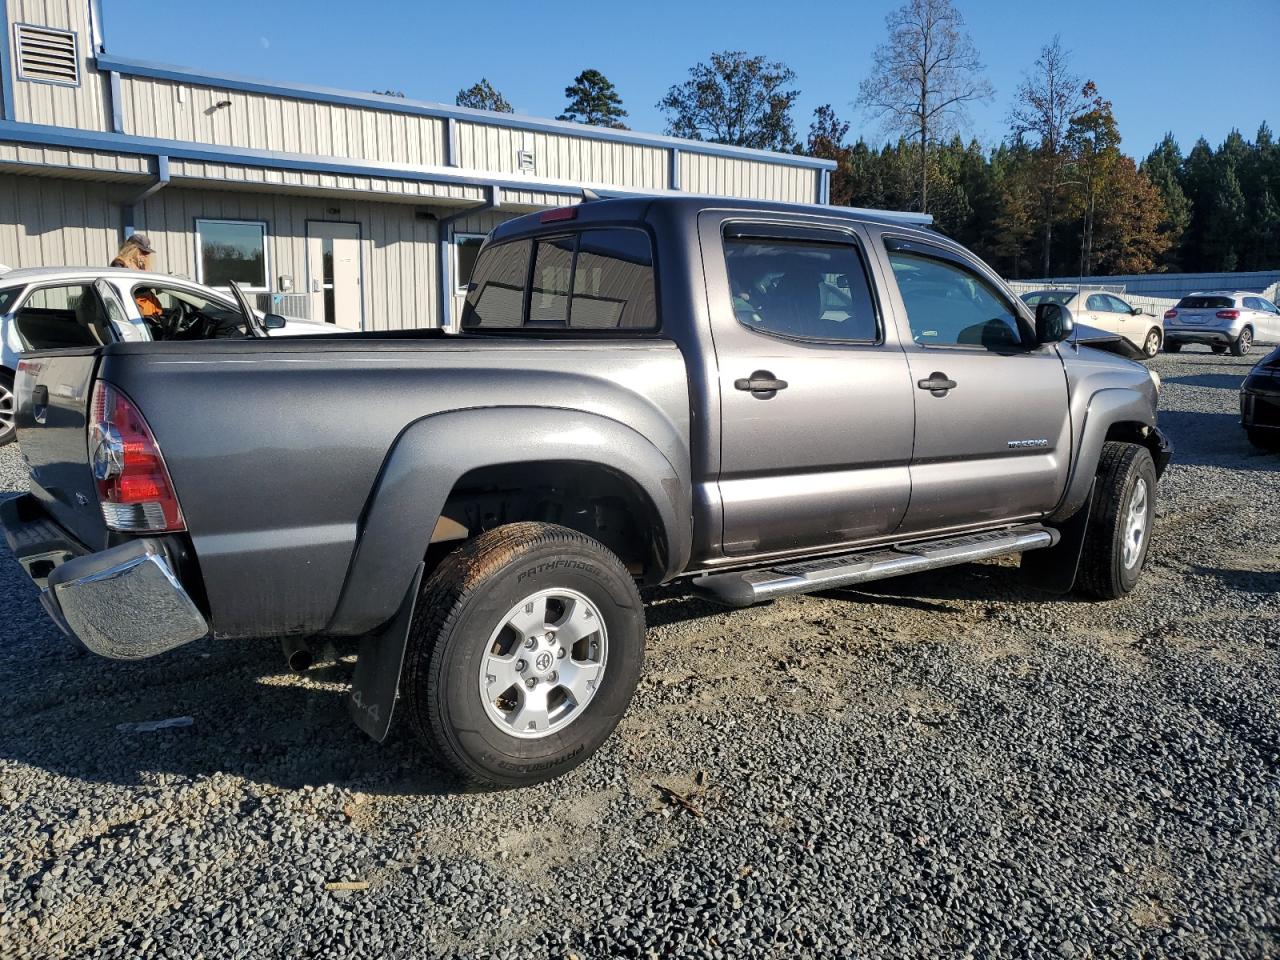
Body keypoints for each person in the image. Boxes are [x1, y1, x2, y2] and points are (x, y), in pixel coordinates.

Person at [109, 233, 163, 319]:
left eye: (147, 252)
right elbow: (122, 290)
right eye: (143, 252)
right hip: (134, 314)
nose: (146, 255)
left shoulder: (141, 266)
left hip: (149, 314)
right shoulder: (119, 264)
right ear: (131, 249)